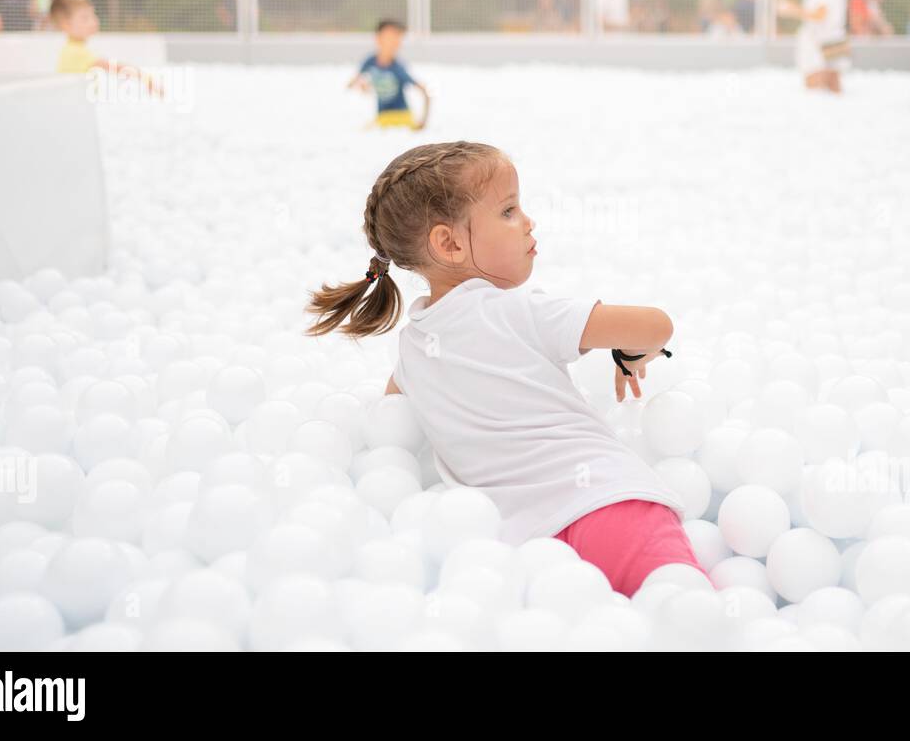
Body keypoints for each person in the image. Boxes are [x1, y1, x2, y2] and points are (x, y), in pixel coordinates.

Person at [303, 141, 711, 597]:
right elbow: (656, 325)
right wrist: (632, 353)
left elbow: (393, 414)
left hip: (519, 545)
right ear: (450, 243)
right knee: (682, 609)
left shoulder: (413, 349)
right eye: (509, 210)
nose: (528, 221)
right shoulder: (518, 311)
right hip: (609, 504)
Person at [48, 0, 159, 93]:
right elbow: (115, 67)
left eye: (93, 15)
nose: (93, 21)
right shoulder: (75, 52)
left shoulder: (73, 48)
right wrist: (145, 78)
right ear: (66, 25)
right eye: (85, 18)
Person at [778, 0, 849, 93]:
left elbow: (820, 15)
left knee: (817, 88)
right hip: (833, 40)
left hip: (821, 43)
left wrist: (792, 9)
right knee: (833, 89)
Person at [348, 19, 431, 130]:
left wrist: (423, 120)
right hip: (382, 115)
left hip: (401, 115)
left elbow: (423, 90)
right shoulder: (370, 61)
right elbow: (353, 82)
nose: (393, 42)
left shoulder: (398, 68)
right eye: (389, 37)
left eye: (397, 38)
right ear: (378, 38)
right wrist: (360, 84)